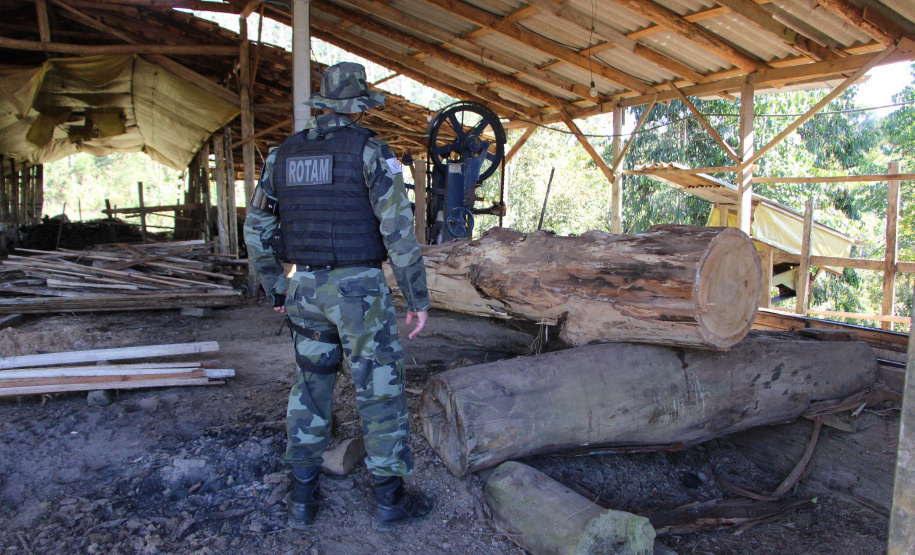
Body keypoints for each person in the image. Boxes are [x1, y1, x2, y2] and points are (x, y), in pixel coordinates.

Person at [243, 61, 433, 530]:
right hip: (360, 292)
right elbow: (398, 232)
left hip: (304, 287)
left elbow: (256, 230)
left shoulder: (281, 155)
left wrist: (276, 287)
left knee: (310, 388)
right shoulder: (371, 152)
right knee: (379, 388)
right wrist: (417, 298)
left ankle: (302, 500)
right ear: (358, 107)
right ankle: (389, 500)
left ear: (323, 105)